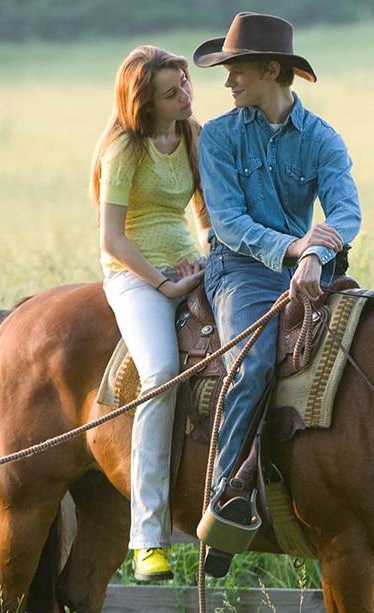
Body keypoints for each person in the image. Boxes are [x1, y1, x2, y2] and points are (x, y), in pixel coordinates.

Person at [192, 13, 362, 576]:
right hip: (238, 271)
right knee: (254, 363)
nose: (227, 81)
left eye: (236, 69)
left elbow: (344, 210)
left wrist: (318, 253)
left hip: (305, 266)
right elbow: (231, 224)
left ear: (271, 70)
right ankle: (221, 502)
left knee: (367, 350)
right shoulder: (217, 137)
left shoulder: (322, 139)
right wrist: (298, 250)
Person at [90, 45, 211, 581]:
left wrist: (208, 264)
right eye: (172, 91)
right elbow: (112, 240)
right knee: (160, 372)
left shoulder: (192, 135)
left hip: (189, 267)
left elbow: (207, 214)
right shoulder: (123, 150)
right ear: (145, 103)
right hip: (136, 277)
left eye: (185, 83)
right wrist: (164, 283)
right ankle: (148, 538)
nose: (186, 94)